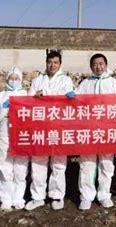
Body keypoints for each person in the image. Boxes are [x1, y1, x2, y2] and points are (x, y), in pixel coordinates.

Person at [25, 50, 74, 211]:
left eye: (55, 62)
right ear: (46, 63)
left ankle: (57, 195)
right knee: (38, 162)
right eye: (50, 62)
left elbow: (65, 99)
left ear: (60, 64)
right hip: (40, 126)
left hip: (59, 125)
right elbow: (28, 100)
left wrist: (45, 94)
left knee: (59, 162)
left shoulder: (66, 80)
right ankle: (37, 196)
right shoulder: (37, 80)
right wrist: (35, 97)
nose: (52, 65)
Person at [75, 53, 116, 210]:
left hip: (107, 128)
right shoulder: (85, 84)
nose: (98, 67)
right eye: (95, 64)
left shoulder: (114, 83)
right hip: (88, 128)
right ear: (91, 66)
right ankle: (86, 196)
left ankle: (104, 194)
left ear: (106, 64)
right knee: (86, 163)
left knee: (106, 163)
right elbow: (77, 103)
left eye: (101, 64)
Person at [0, 66, 29, 210]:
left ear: (21, 80)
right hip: (5, 133)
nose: (14, 80)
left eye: (17, 78)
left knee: (20, 168)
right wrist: (2, 108)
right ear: (7, 79)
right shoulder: (0, 96)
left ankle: (18, 198)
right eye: (12, 78)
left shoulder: (26, 94)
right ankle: (6, 199)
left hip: (22, 133)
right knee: (5, 166)